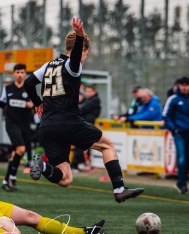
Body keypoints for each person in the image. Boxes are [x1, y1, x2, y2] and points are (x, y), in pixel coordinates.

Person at [23, 18, 144, 203]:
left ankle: (43, 167)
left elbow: (28, 83)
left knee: (65, 179)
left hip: (47, 126)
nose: (85, 58)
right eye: (85, 53)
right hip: (69, 123)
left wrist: (38, 102)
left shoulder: (48, 66)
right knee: (108, 145)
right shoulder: (74, 65)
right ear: (83, 51)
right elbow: (74, 60)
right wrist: (80, 37)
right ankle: (119, 189)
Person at [0, 63, 33, 192]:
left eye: (22, 72)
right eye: (17, 72)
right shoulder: (8, 88)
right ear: (14, 74)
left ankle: (8, 179)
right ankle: (11, 176)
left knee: (15, 153)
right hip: (12, 124)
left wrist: (31, 105)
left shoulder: (29, 88)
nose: (20, 74)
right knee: (21, 149)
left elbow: (36, 105)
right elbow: (2, 104)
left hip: (25, 125)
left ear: (25, 74)